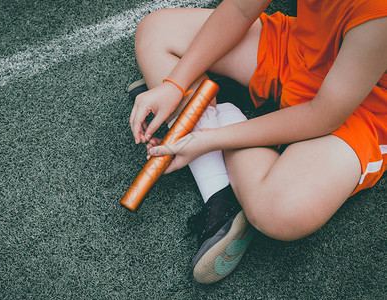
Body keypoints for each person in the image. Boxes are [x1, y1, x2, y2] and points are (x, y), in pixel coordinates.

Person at [127, 0, 387, 284]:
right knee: (157, 31)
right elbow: (240, 9)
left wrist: (209, 139)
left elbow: (323, 115)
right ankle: (223, 190)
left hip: (363, 105)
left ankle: (220, 111)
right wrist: (174, 84)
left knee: (281, 211)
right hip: (301, 48)